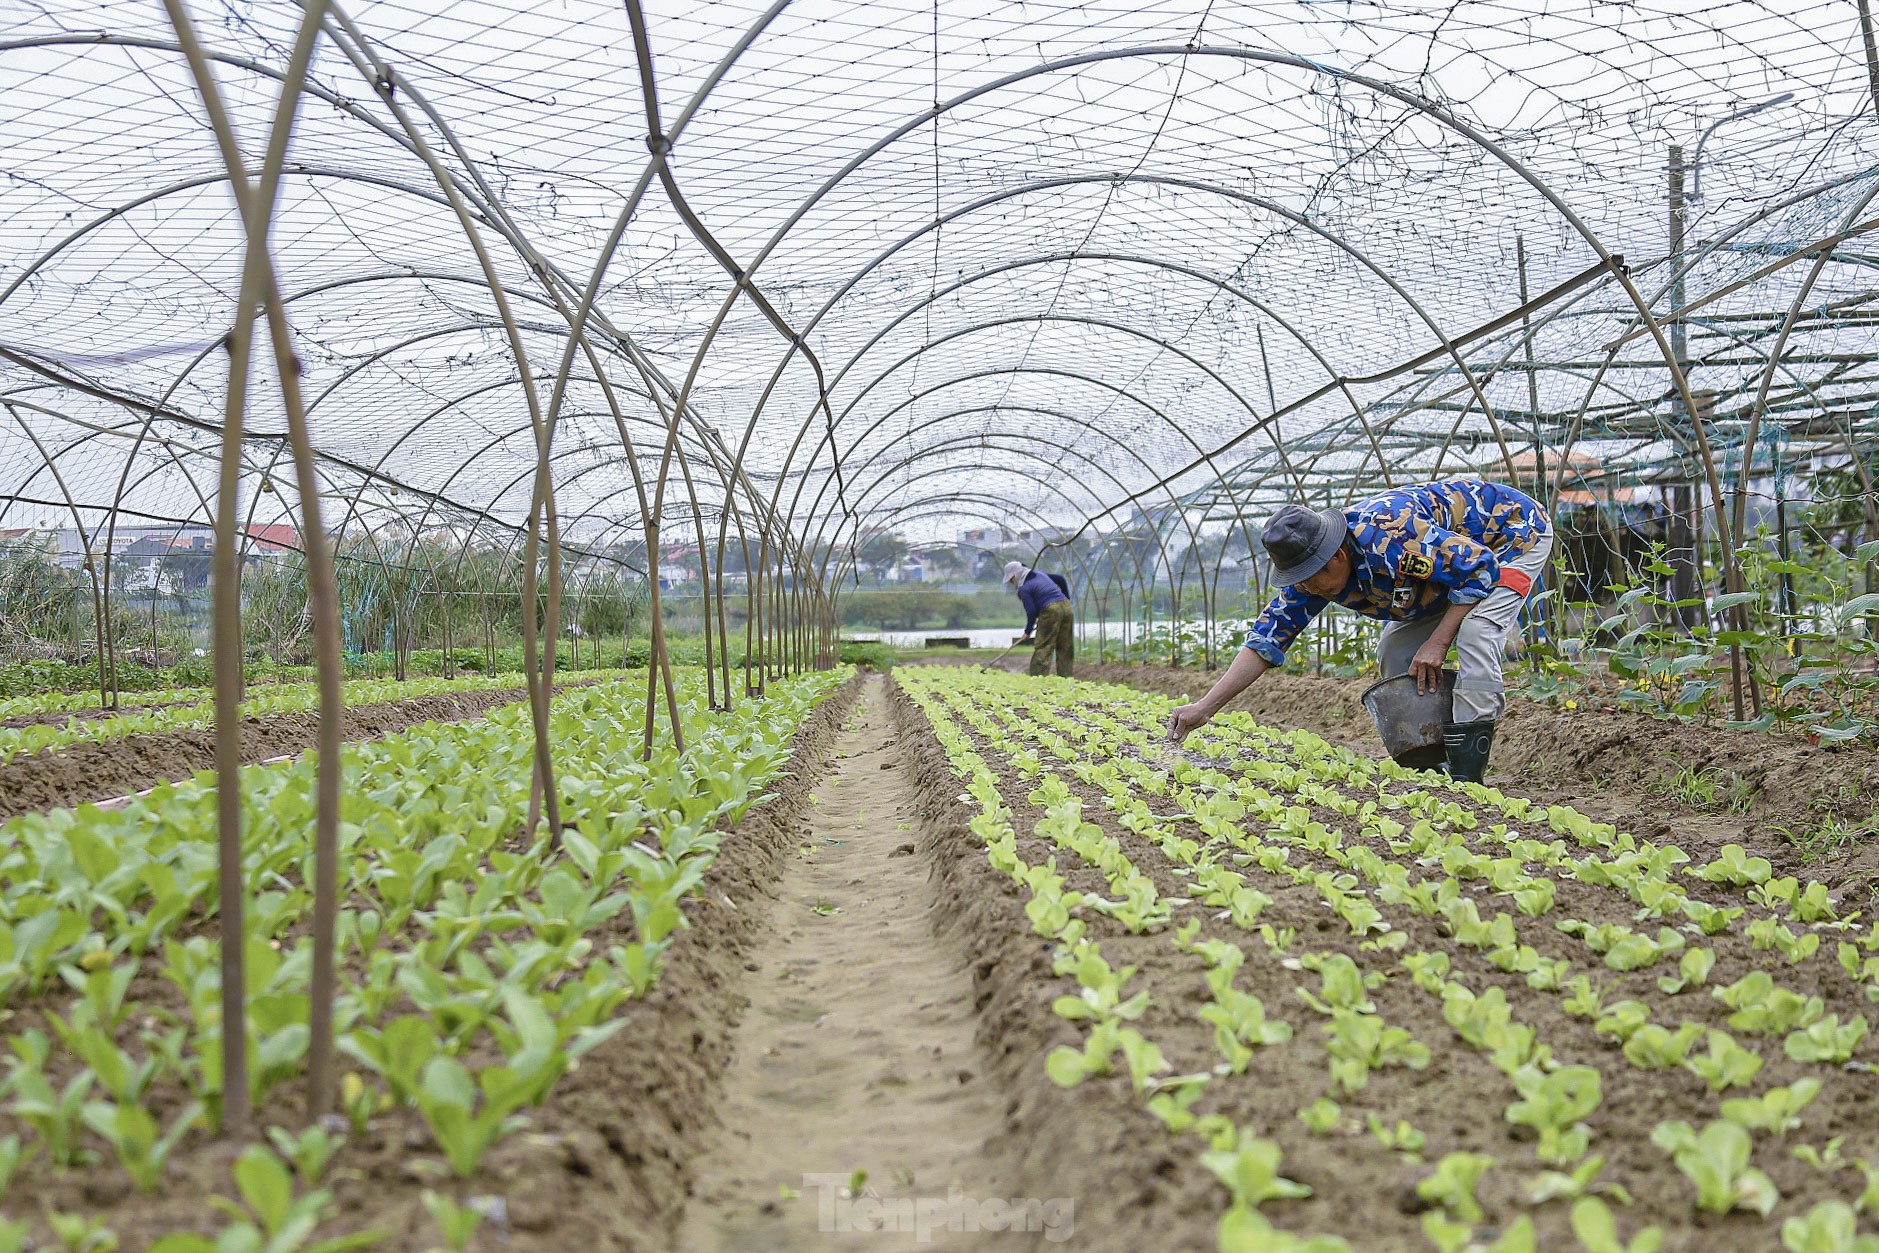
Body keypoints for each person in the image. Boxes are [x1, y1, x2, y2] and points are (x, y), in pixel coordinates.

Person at [1165, 479, 1553, 781]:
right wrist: (1203, 708)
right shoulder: (1307, 581)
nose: (1311, 588)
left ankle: (1468, 772)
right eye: (1300, 580)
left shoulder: (1391, 537)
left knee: (1476, 632)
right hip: (1450, 572)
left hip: (1511, 537)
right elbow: (1266, 641)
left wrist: (1438, 641)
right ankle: (1429, 758)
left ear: (1337, 555)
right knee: (1395, 650)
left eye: (1314, 576)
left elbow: (1479, 568)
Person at [1004, 560, 1075, 677]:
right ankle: (1066, 678)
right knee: (1065, 646)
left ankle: (1038, 679)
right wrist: (1067, 599)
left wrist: (1027, 631)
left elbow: (1031, 611)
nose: (1012, 582)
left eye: (1011, 579)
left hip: (1050, 609)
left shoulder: (1024, 588)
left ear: (1016, 574)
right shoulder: (1041, 575)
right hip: (1067, 608)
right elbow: (1060, 579)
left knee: (1044, 647)